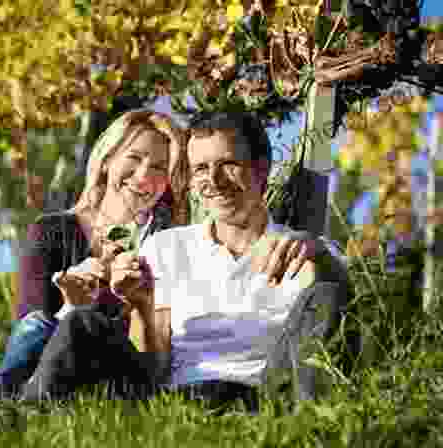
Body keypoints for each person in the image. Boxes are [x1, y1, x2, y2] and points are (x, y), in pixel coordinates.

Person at [18, 111, 350, 412]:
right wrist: (142, 305)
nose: (214, 180)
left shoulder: (306, 251)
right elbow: (153, 364)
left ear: (261, 168)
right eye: (201, 169)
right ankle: (25, 419)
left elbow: (340, 307)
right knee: (82, 322)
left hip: (268, 394)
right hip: (178, 397)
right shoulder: (166, 247)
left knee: (327, 294)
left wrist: (316, 254)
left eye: (228, 164)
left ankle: (312, 427)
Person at [0, 110, 189, 414]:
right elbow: (28, 333)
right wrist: (70, 303)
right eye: (134, 158)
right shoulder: (51, 231)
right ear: (108, 159)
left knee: (73, 324)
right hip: (39, 373)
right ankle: (1, 399)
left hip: (111, 374)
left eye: (160, 167)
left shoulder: (166, 241)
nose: (145, 175)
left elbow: (155, 351)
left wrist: (122, 302)